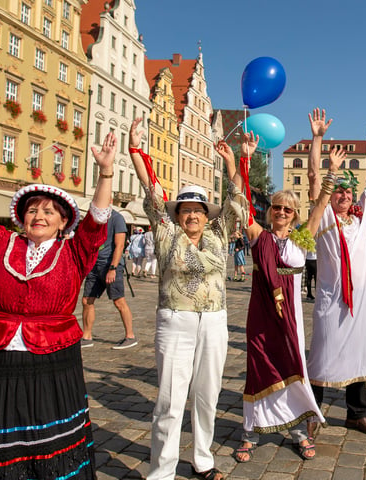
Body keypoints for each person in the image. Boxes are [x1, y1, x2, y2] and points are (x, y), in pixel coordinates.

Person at [0, 115, 116, 479]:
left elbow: (97, 221)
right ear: (21, 217)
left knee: (49, 438)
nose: (40, 215)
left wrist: (105, 174)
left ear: (63, 221)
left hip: (53, 361)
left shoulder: (74, 252)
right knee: (1, 434)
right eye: (33, 209)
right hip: (0, 359)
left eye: (49, 211)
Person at [128, 118, 248, 480]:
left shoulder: (219, 232)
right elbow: (151, 191)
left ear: (205, 215)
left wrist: (234, 164)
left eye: (198, 209)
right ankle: (161, 471)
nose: (193, 214)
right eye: (186, 209)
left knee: (207, 395)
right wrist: (137, 150)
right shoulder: (166, 234)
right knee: (169, 398)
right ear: (177, 215)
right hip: (175, 320)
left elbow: (236, 199)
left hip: (213, 320)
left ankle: (203, 460)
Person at [305, 109, 366, 439]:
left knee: (360, 355)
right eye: (338, 191)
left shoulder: (361, 218)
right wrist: (317, 139)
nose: (344, 195)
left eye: (347, 191)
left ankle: (357, 414)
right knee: (322, 356)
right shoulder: (324, 217)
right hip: (331, 301)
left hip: (361, 304)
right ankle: (313, 414)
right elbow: (313, 177)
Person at [231, 184, 326, 463]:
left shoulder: (302, 238)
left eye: (287, 209)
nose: (281, 212)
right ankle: (250, 432)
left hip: (290, 319)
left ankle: (298, 431)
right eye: (277, 207)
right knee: (259, 371)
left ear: (295, 215)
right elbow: (240, 200)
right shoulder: (258, 235)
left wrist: (330, 175)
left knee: (292, 368)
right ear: (270, 211)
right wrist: (234, 161)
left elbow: (320, 206)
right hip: (261, 316)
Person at [81, 209, 137, 349]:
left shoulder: (116, 218)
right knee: (87, 300)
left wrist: (113, 268)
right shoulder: (93, 217)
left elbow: (119, 245)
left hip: (111, 265)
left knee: (119, 301)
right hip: (95, 265)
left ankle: (130, 336)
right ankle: (86, 336)